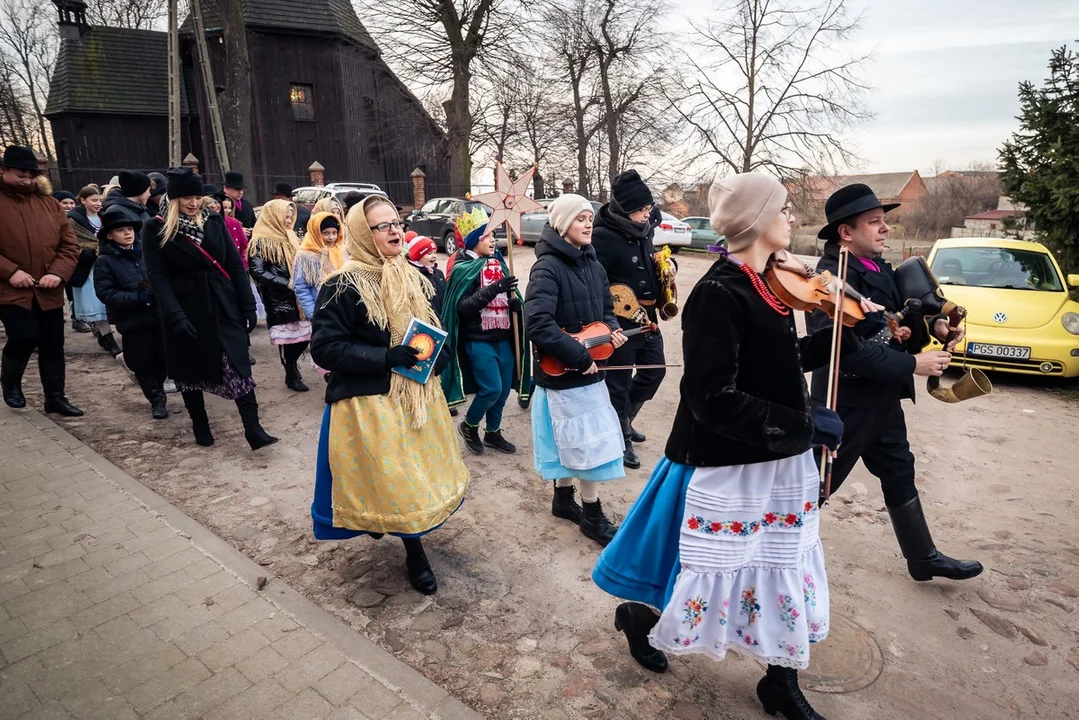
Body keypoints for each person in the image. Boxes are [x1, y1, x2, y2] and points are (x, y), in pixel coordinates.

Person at [593, 173, 866, 720]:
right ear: (756, 221)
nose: (792, 219)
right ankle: (641, 619)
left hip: (775, 457)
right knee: (719, 574)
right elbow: (712, 398)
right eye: (784, 210)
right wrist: (804, 426)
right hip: (730, 461)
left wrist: (850, 332)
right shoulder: (718, 292)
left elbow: (778, 366)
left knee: (780, 565)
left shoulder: (770, 281)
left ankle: (779, 682)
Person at [805, 183, 983, 583]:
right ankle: (762, 550)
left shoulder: (879, 268)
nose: (885, 228)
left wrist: (937, 327)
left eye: (884, 221)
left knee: (900, 469)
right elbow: (841, 349)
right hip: (844, 403)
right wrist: (913, 365)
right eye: (874, 222)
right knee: (813, 485)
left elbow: (901, 322)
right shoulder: (827, 280)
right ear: (845, 233)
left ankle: (923, 558)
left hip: (883, 401)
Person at [309, 195, 470, 595]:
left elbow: (438, 330)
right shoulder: (341, 284)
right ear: (365, 234)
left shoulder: (417, 276)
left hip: (417, 397)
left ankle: (408, 540)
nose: (395, 230)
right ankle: (414, 550)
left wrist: (439, 357)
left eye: (396, 221)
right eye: (383, 226)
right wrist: (385, 357)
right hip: (371, 403)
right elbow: (325, 349)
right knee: (394, 481)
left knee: (410, 480)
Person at [142, 167, 276, 450]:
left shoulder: (215, 220)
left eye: (197, 196)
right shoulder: (155, 227)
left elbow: (235, 266)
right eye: (186, 197)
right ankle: (199, 423)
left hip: (222, 302)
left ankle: (253, 428)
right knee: (190, 371)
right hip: (186, 307)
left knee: (237, 365)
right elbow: (157, 276)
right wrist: (175, 314)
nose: (193, 203)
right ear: (173, 198)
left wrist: (248, 305)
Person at [524, 193, 627, 547]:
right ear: (563, 223)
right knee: (584, 447)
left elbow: (605, 309)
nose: (588, 224)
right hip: (563, 372)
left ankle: (563, 500)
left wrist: (610, 331)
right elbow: (537, 323)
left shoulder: (594, 265)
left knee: (580, 443)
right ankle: (592, 515)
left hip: (590, 368)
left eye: (590, 218)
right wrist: (580, 357)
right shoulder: (547, 267)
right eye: (581, 218)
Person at [592, 169, 672, 470]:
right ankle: (620, 435)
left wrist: (664, 269)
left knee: (655, 371)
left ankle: (626, 418)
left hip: (648, 317)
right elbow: (597, 282)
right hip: (621, 321)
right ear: (626, 210)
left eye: (648, 208)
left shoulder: (643, 229)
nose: (647, 214)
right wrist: (607, 319)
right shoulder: (603, 236)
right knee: (618, 383)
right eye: (642, 209)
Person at [0, 145, 82, 415]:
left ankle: (55, 398)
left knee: (53, 343)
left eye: (32, 175)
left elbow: (70, 246)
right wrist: (11, 272)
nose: (27, 181)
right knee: (24, 335)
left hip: (48, 288)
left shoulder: (49, 203)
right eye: (20, 175)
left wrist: (57, 273)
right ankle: (10, 383)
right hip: (9, 289)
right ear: (3, 171)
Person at [440, 223, 529, 455]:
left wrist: (516, 306)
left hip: (503, 338)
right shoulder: (463, 269)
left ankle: (492, 432)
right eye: (486, 236)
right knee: (491, 389)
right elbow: (463, 307)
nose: (492, 240)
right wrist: (493, 289)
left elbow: (512, 298)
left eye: (493, 236)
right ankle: (469, 426)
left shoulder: (500, 264)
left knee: (501, 392)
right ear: (472, 241)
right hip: (477, 340)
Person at [93, 204, 168, 419]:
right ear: (109, 235)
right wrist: (137, 298)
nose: (127, 233)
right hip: (132, 320)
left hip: (157, 315)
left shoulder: (147, 252)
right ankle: (156, 399)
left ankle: (160, 387)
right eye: (120, 230)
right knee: (142, 363)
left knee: (162, 358)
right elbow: (105, 293)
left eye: (129, 229)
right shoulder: (104, 261)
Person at [248, 198, 310, 392]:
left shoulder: (291, 236)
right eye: (285, 215)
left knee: (305, 336)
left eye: (291, 216)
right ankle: (291, 372)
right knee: (288, 340)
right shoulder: (260, 241)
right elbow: (257, 271)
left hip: (298, 297)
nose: (289, 220)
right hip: (278, 299)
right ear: (273, 216)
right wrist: (286, 284)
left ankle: (292, 367)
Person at [68, 184, 123, 359]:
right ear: (83, 201)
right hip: (87, 267)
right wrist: (89, 252)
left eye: (100, 200)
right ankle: (108, 340)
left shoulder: (103, 218)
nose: (98, 204)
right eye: (94, 200)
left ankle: (103, 334)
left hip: (106, 264)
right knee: (97, 304)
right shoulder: (73, 221)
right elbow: (73, 244)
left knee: (109, 303)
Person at [293, 212, 345, 321]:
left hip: (342, 311)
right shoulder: (305, 255)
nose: (331, 237)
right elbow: (301, 288)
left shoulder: (342, 252)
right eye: (326, 233)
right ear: (316, 232)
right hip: (320, 311)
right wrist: (313, 314)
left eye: (334, 233)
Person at [405, 235, 445, 316]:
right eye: (429, 253)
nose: (434, 256)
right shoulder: (413, 277)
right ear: (417, 256)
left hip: (444, 316)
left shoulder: (438, 273)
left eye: (435, 252)